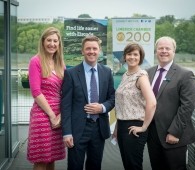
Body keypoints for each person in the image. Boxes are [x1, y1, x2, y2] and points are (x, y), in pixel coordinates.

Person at [60, 35, 115, 170]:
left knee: (95, 166)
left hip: (99, 128)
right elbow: (65, 105)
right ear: (82, 51)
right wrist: (66, 132)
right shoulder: (71, 73)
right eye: (88, 48)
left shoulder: (107, 72)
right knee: (74, 166)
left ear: (99, 50)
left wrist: (102, 107)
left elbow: (113, 98)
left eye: (95, 48)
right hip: (77, 130)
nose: (92, 51)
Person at [147, 36, 195, 170]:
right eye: (160, 48)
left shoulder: (185, 74)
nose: (164, 51)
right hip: (152, 135)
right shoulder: (148, 73)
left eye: (167, 48)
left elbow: (187, 106)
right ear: (156, 51)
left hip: (173, 135)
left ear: (174, 51)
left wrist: (175, 132)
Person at [112, 42, 157, 170]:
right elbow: (123, 105)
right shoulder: (125, 75)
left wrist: (144, 127)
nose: (132, 57)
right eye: (129, 54)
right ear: (125, 56)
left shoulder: (141, 76)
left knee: (134, 165)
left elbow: (152, 103)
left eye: (135, 54)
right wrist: (117, 127)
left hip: (135, 127)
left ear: (140, 57)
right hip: (122, 126)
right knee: (128, 164)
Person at [27, 27, 66, 170]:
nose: (52, 44)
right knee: (41, 159)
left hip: (58, 114)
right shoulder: (35, 61)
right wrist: (52, 116)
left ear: (59, 43)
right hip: (43, 114)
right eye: (49, 40)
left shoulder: (60, 63)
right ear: (43, 42)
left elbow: (65, 91)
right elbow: (36, 92)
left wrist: (61, 115)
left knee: (51, 158)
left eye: (55, 41)